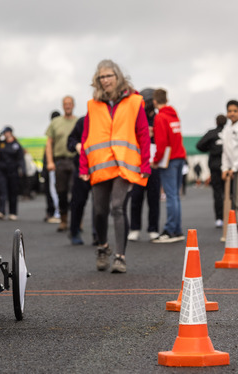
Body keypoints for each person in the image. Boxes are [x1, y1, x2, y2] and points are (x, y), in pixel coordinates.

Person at [80, 59, 150, 273]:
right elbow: (85, 137)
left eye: (109, 75)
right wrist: (84, 167)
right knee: (100, 211)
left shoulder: (135, 101)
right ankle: (103, 247)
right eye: (101, 77)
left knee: (117, 207)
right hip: (100, 164)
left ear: (118, 76)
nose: (105, 80)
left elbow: (143, 133)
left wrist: (145, 164)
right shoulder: (93, 104)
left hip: (124, 164)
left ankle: (120, 257)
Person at [151, 89, 186, 244]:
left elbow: (162, 143)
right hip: (179, 157)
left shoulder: (160, 117)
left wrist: (156, 160)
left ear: (154, 101)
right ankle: (177, 230)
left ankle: (170, 230)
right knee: (175, 196)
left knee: (170, 195)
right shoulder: (173, 114)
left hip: (169, 160)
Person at [127, 88, 161, 242]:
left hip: (154, 163)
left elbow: (165, 138)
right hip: (138, 161)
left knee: (154, 198)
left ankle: (153, 229)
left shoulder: (159, 118)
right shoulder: (135, 116)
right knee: (136, 197)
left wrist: (155, 133)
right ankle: (134, 228)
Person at [45, 96, 78, 232]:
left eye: (70, 103)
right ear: (62, 106)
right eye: (65, 104)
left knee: (76, 192)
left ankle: (77, 220)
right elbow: (49, 144)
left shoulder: (78, 122)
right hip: (59, 161)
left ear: (73, 105)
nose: (68, 106)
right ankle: (64, 220)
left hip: (75, 160)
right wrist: (50, 162)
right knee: (61, 192)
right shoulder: (55, 123)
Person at [67, 117, 95, 245]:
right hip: (81, 167)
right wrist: (76, 145)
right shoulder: (83, 121)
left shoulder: (107, 119)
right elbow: (70, 141)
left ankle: (99, 234)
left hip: (100, 168)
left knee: (100, 204)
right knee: (78, 202)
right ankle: (75, 231)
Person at [196, 114, 226, 228]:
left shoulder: (212, 133)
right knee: (231, 194)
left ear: (216, 122)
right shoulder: (229, 132)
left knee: (217, 193)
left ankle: (219, 218)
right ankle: (231, 216)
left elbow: (199, 145)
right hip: (228, 168)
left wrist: (210, 148)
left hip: (215, 166)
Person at [0, 126, 24, 220]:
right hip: (2, 170)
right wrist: (0, 134)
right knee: (2, 191)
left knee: (13, 192)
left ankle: (13, 212)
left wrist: (22, 169)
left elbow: (20, 158)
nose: (6, 134)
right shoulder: (1, 144)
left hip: (13, 171)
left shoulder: (16, 144)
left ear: (11, 132)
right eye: (5, 132)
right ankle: (1, 211)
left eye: (7, 132)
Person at [43, 110, 61, 223]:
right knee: (52, 191)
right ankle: (52, 212)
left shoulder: (56, 134)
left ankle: (57, 213)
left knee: (54, 191)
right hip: (52, 167)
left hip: (54, 167)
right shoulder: (53, 133)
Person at [221, 100, 238, 210]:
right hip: (233, 170)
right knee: (234, 201)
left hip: (236, 168)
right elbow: (225, 151)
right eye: (229, 111)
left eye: (235, 111)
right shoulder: (226, 130)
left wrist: (235, 167)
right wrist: (225, 168)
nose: (232, 113)